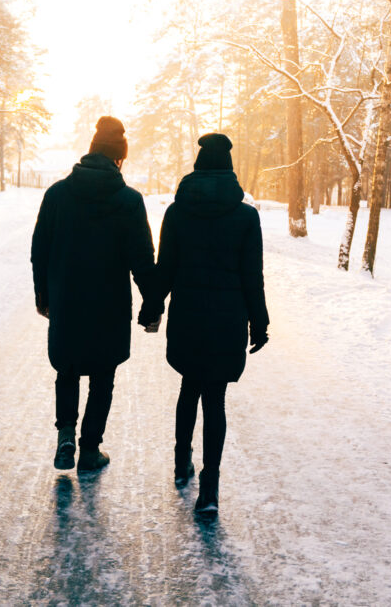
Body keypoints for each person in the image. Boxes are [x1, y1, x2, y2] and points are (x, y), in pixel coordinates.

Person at [139, 133, 269, 514]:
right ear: (229, 169)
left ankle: (182, 462)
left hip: (189, 316)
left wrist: (151, 308)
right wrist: (258, 324)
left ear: (197, 167)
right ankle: (209, 489)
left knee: (189, 387)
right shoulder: (246, 216)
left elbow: (166, 270)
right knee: (215, 400)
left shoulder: (177, 213)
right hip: (228, 321)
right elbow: (252, 277)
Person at [31, 116, 159, 472]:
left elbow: (39, 249)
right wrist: (152, 305)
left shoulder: (57, 194)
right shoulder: (130, 201)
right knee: (103, 375)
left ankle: (65, 436)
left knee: (67, 370)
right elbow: (142, 260)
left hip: (67, 300)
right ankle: (89, 449)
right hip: (109, 305)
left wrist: (43, 294)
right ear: (119, 157)